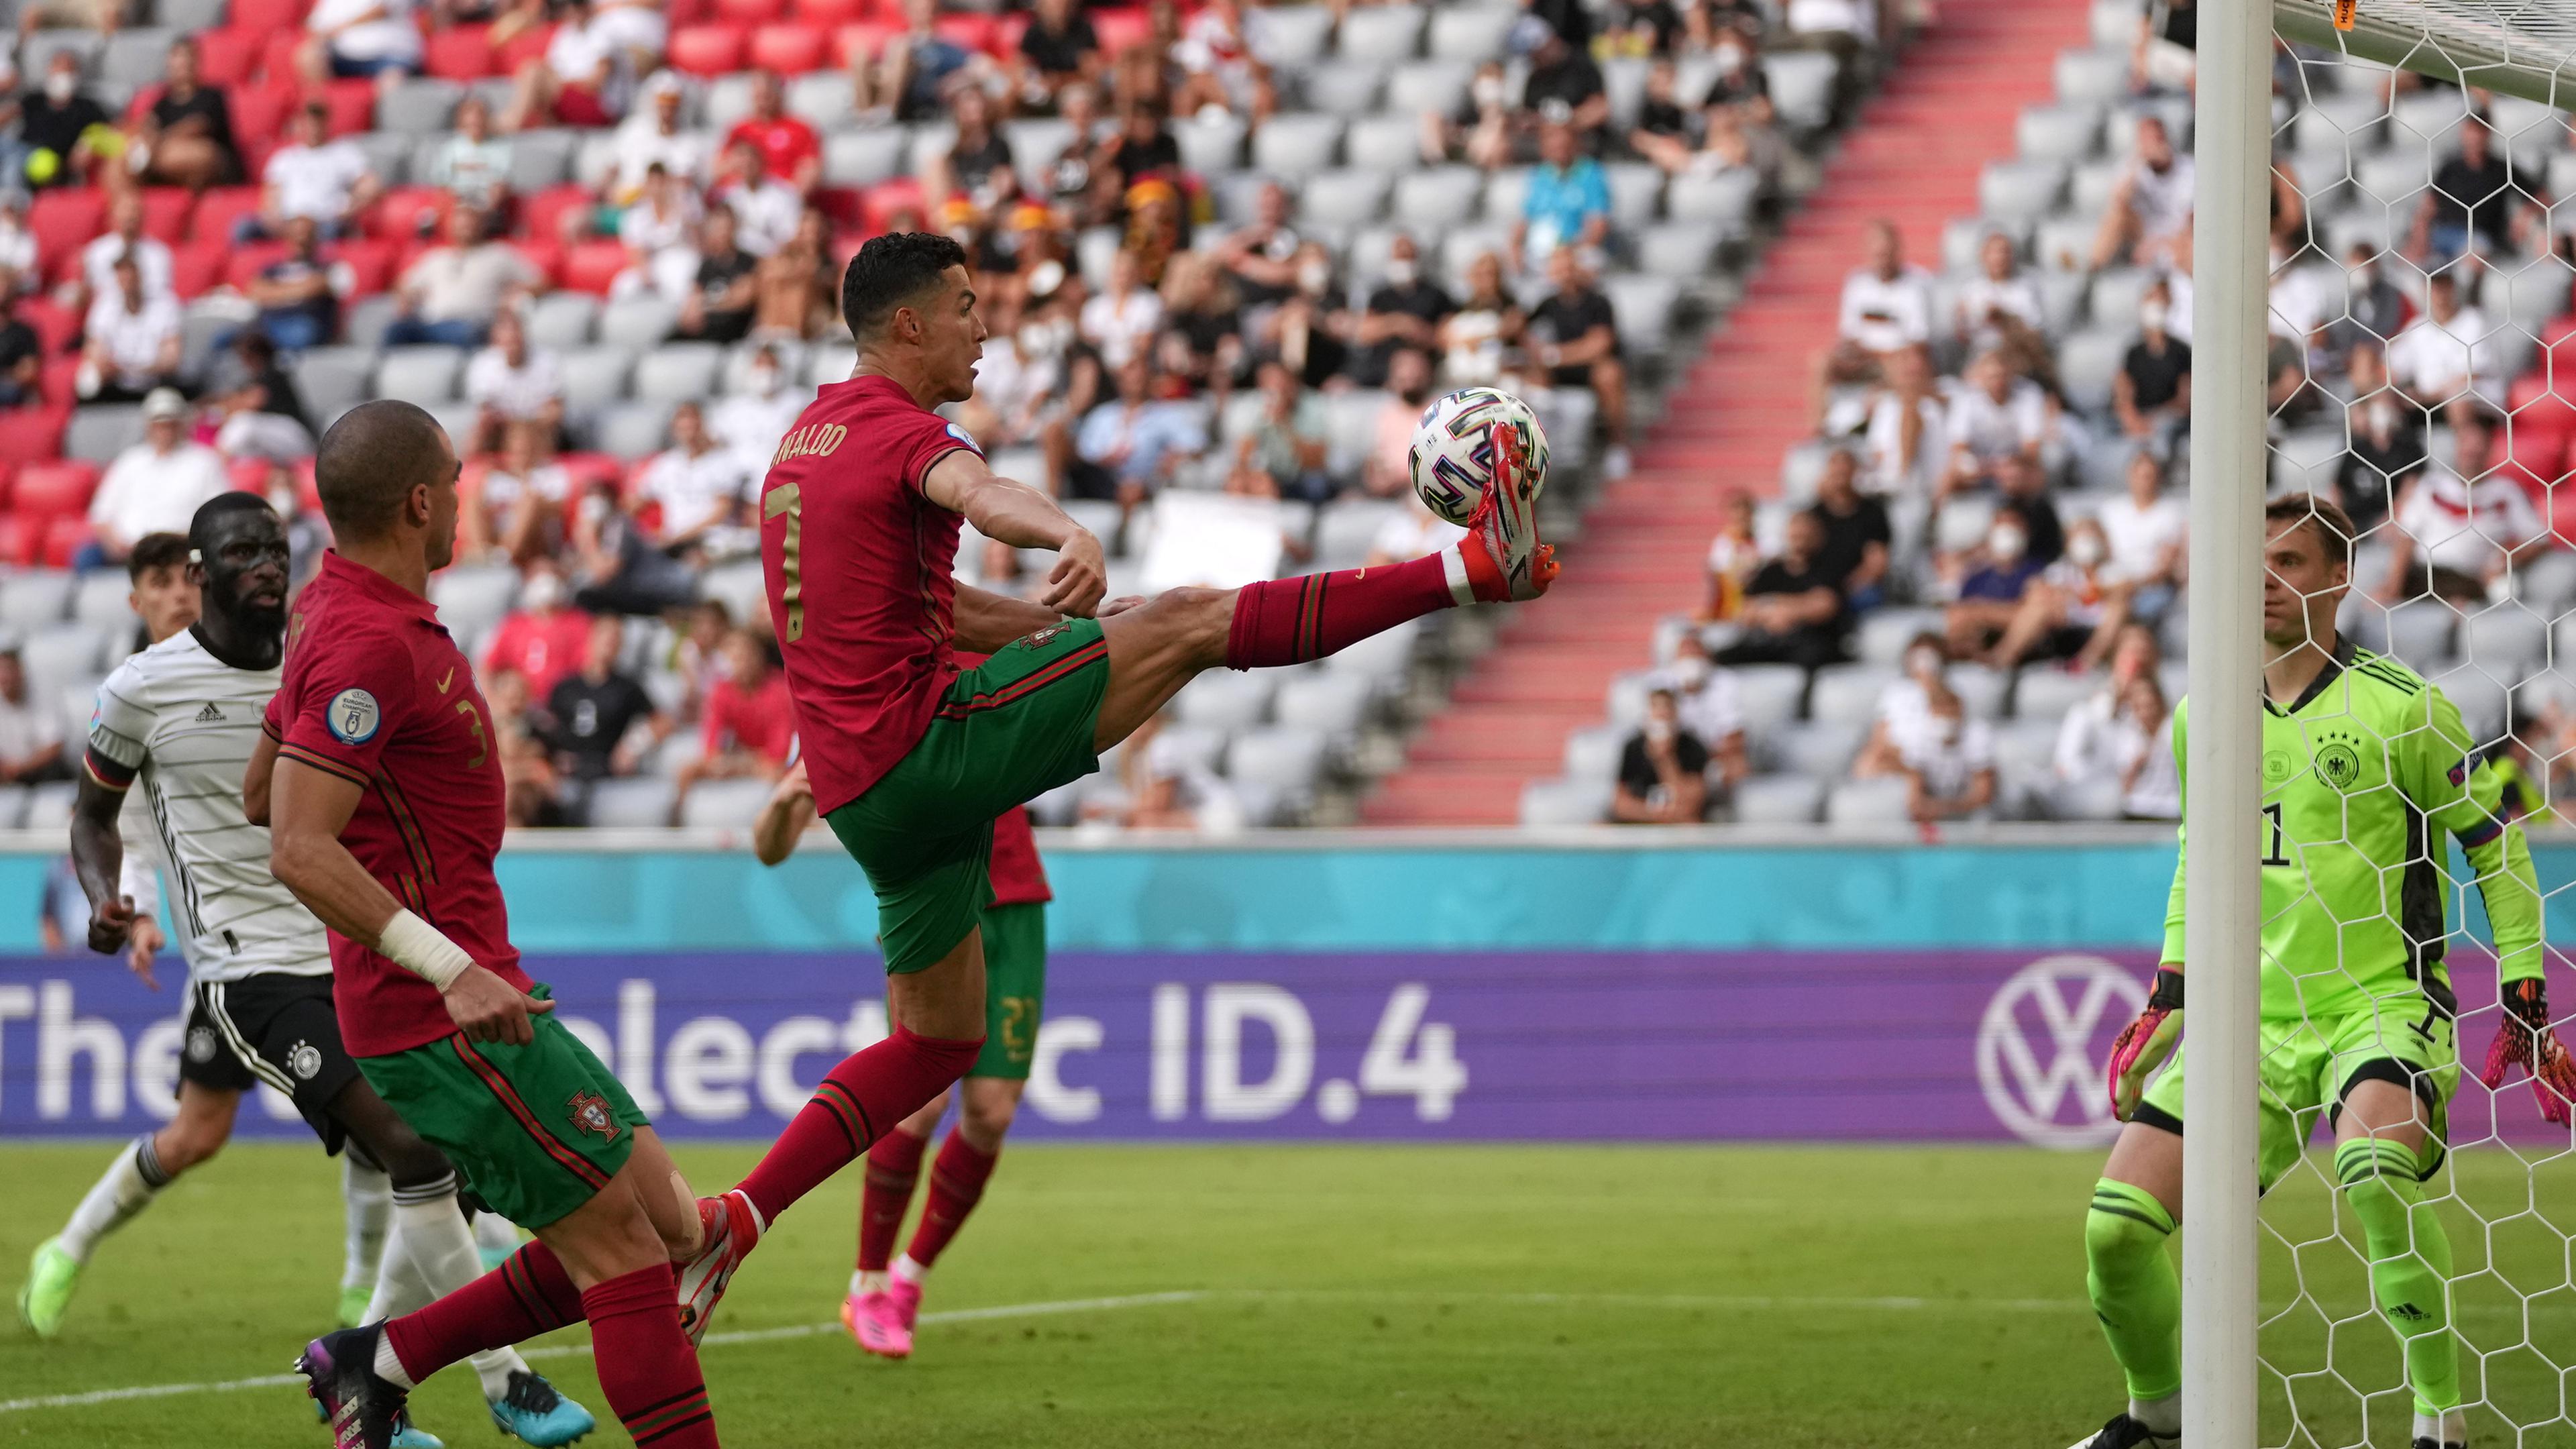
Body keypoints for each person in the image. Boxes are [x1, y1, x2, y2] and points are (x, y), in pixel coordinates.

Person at [604, 231, 1555, 1333]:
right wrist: (1064, 529)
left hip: (870, 801)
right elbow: (977, 484)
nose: (985, 326)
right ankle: (1468, 568)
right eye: (966, 306)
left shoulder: (803, 446)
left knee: (937, 1043)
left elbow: (942, 609)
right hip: (930, 750)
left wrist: (1088, 627)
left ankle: (735, 1225)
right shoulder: (901, 431)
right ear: (908, 324)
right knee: (1199, 622)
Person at [23, 494, 595, 1447]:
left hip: (358, 947)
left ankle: (362, 1375)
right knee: (406, 1147)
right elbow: (91, 813)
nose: (265, 565)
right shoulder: (141, 687)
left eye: (275, 549)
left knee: (439, 1165)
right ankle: (506, 1381)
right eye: (241, 551)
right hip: (252, 972)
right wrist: (103, 894)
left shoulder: (321, 664)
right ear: (201, 573)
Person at [254, 404, 727, 1448]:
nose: (465, 497)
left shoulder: (344, 617)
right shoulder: (367, 640)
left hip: (479, 993)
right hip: (445, 1013)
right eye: (457, 480)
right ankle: (380, 1363)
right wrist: (447, 965)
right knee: (628, 1261)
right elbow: (294, 843)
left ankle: (374, 1362)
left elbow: (264, 796)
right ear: (423, 500)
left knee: (667, 1224)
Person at [2080, 492, 2571, 1449]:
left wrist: (2525, 996)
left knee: (2375, 1170)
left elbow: (2499, 852)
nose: (2265, 581)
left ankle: (2440, 1423)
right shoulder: (2204, 718)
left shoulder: (2404, 707)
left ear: (2339, 579)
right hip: (2247, 1018)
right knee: (2114, 1231)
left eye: (2292, 563)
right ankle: (2159, 1416)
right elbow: (2197, 856)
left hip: (2380, 1005)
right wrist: (2170, 992)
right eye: (2253, 563)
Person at [1851, 635, 1996, 824]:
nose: (1946, 719)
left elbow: (1984, 793)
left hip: (1964, 809)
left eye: (1951, 711)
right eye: (1940, 712)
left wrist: (1944, 808)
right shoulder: (1918, 738)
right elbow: (1916, 800)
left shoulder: (1977, 735)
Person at [86, 389, 229, 568]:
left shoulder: (205, 461)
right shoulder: (130, 460)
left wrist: (178, 545)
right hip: (126, 549)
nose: (165, 431)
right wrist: (117, 545)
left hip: (179, 550)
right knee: (86, 556)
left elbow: (216, 518)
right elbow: (101, 515)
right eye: (159, 424)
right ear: (148, 425)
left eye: (171, 424)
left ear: (183, 424)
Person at [1526, 246, 1631, 479]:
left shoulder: (1598, 302)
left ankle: (1618, 444)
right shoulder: (1546, 305)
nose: (1564, 273)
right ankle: (1542, 444)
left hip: (1589, 369)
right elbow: (1529, 340)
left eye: (1568, 266)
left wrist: (1555, 355)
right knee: (1530, 375)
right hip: (1559, 370)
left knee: (1610, 374)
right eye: (1559, 267)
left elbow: (1599, 345)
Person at [669, 627, 792, 818]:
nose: (740, 663)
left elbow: (779, 753)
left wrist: (741, 764)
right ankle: (676, 826)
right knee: (686, 770)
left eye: (745, 656)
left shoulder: (779, 690)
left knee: (781, 777)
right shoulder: (721, 691)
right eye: (734, 657)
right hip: (744, 758)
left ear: (759, 657)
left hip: (774, 762)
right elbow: (711, 745)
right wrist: (725, 762)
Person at [384, 205, 543, 349]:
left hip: (472, 325)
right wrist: (406, 297)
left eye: (471, 221)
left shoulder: (499, 254)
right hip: (430, 323)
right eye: (460, 222)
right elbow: (402, 284)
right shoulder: (436, 257)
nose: (465, 226)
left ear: (482, 224)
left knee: (466, 333)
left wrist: (515, 293)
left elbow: (541, 282)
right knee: (396, 331)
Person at [543, 614, 663, 792]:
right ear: (591, 639)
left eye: (615, 639)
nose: (609, 644)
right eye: (605, 637)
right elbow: (546, 723)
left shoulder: (627, 688)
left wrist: (632, 746)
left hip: (604, 765)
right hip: (563, 765)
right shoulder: (565, 686)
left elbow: (662, 721)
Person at [1712, 510, 1844, 670]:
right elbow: (1746, 610)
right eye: (1796, 536)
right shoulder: (1771, 571)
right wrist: (1778, 610)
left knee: (1813, 657)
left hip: (1810, 640)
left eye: (1805, 536)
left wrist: (1782, 610)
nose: (1800, 542)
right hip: (1767, 640)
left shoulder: (1828, 569)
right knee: (1722, 657)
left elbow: (1826, 605)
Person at [633, 400, 753, 560]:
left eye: (693, 427)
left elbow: (721, 512)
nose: (689, 434)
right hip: (674, 541)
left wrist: (678, 538)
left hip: (709, 539)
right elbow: (636, 502)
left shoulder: (724, 462)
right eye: (683, 428)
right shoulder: (666, 464)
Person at [252, 103, 378, 241]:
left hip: (324, 221)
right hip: (289, 223)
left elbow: (370, 185)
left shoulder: (343, 153)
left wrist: (350, 208)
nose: (314, 128)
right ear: (300, 124)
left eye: (318, 122)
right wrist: (273, 218)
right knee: (245, 229)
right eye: (309, 122)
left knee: (334, 231)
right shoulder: (284, 158)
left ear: (326, 123)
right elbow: (270, 196)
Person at [128, 36, 241, 189]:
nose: (183, 63)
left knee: (196, 153)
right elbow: (147, 124)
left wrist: (157, 143)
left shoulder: (212, 96)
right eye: (177, 57)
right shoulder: (163, 103)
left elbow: (198, 126)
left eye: (188, 56)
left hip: (211, 165)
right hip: (164, 159)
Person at [2090, 113, 2194, 272]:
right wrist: (2138, 163)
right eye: (2147, 140)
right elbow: (2118, 201)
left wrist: (2158, 243)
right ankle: (2092, 270)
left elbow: (2191, 219)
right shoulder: (2133, 167)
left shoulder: (2188, 170)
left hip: (2177, 239)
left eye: (2156, 139)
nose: (2153, 145)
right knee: (2117, 216)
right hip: (2144, 235)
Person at [1349, 234, 1453, 389]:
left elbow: (1447, 336)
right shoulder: (1380, 296)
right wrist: (1398, 323)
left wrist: (1421, 332)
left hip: (1423, 371)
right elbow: (1364, 333)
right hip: (1381, 372)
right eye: (1399, 257)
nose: (1404, 263)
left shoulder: (1436, 294)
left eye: (1408, 257)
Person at [78, 252, 182, 402]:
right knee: (86, 382)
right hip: (116, 386)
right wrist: (105, 365)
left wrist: (131, 370)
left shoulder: (164, 305)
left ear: (140, 274)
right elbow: (94, 349)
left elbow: (171, 360)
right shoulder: (105, 306)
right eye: (121, 273)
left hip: (155, 385)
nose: (126, 278)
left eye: (130, 272)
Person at [248, 215, 356, 354]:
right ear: (287, 238)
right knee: (229, 338)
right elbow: (255, 292)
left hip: (306, 325)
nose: (301, 239)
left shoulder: (332, 267)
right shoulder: (271, 269)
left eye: (307, 235)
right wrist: (302, 290)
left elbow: (319, 286)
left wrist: (273, 293)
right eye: (296, 235)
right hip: (269, 323)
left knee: (300, 335)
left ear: (317, 238)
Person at [463, 309, 565, 455]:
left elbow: (555, 411)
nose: (513, 345)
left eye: (516, 339)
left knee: (527, 435)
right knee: (477, 434)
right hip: (502, 428)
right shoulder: (483, 364)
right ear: (496, 341)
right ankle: (467, 473)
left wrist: (525, 425)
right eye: (508, 341)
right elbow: (484, 412)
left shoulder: (547, 361)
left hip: (538, 427)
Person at [1802, 448, 1889, 612]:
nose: (1840, 476)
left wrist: (1846, 588)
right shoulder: (1814, 514)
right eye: (1836, 471)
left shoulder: (1872, 513)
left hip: (1855, 588)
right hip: (1819, 587)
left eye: (1845, 470)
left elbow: (1877, 561)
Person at [1514, 121, 1609, 270]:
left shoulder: (1591, 173)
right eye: (1552, 142)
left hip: (1575, 250)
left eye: (1564, 144)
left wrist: (1569, 251)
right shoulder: (1539, 175)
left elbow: (1598, 224)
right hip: (1540, 251)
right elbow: (1525, 218)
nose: (1559, 148)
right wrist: (1515, 246)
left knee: (1588, 261)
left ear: (1575, 143)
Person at [2113, 278, 2192, 458]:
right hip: (2141, 418)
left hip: (2170, 420)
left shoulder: (2181, 351)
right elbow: (2123, 391)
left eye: (2159, 301)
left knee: (2162, 435)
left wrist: (2153, 421)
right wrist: (2132, 418)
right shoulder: (2133, 353)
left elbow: (2184, 399)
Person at [1611, 688, 1708, 824]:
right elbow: (1620, 804)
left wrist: (1665, 760)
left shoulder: (1693, 747)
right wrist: (1654, 815)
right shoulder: (1633, 747)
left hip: (1678, 822)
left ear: (1676, 713)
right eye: (1655, 706)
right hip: (1642, 819)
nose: (1662, 714)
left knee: (1691, 825)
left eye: (1667, 707)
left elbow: (1691, 806)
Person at [724, 71, 820, 196]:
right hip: (744, 196)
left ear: (779, 94)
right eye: (758, 96)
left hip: (784, 196)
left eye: (767, 95)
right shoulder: (739, 130)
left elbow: (810, 169)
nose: (762, 101)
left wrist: (792, 200)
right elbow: (720, 168)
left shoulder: (800, 129)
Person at [676, 208, 759, 343]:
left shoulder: (747, 262)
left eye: (725, 228)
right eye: (718, 228)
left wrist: (704, 303)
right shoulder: (707, 264)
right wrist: (693, 310)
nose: (722, 233)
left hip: (731, 330)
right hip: (703, 327)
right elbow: (693, 297)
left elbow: (742, 299)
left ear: (734, 228)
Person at [0, 636, 64, 783]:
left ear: (20, 670)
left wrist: (21, 767)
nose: (4, 677)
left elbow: (55, 745)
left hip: (45, 772)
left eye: (8, 670)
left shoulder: (43, 692)